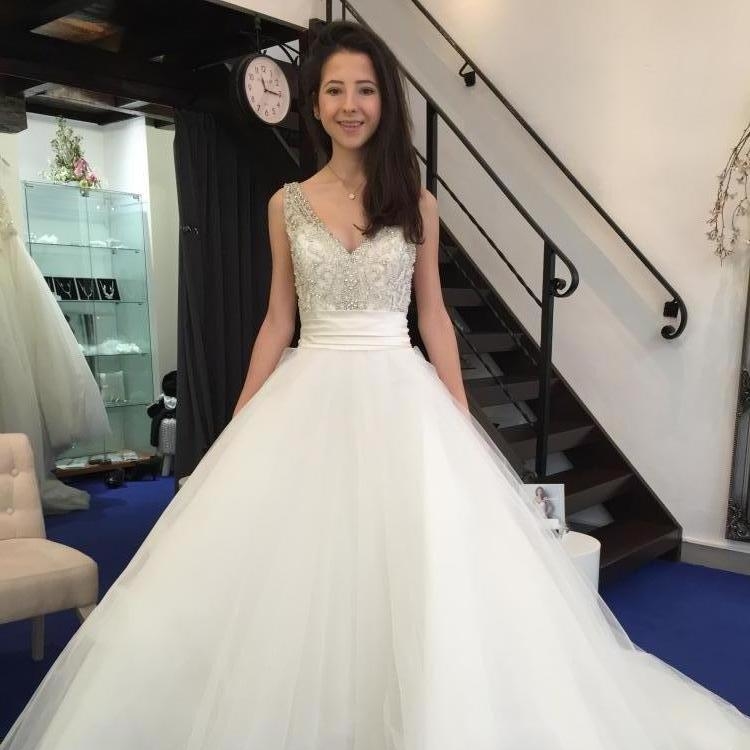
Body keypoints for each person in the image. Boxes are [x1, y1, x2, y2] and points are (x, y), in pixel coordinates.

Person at [2, 20, 749, 750]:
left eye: (364, 89)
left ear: (385, 101)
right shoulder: (286, 204)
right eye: (334, 90)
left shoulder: (416, 204)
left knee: (414, 571)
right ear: (314, 102)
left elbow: (435, 318)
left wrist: (460, 419)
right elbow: (277, 322)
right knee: (303, 574)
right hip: (310, 394)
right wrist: (237, 425)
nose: (350, 104)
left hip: (400, 390)